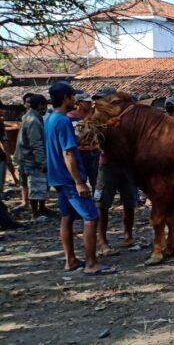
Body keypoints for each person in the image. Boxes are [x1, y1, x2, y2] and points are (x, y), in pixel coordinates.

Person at [45, 81, 116, 275]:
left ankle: (71, 260)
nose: (75, 100)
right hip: (70, 179)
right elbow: (68, 154)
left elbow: (65, 146)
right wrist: (79, 182)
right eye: (73, 96)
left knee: (67, 217)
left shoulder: (50, 119)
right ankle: (91, 264)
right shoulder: (63, 120)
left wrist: (82, 137)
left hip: (57, 177)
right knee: (91, 217)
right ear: (66, 98)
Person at [15, 94, 52, 222]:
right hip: (31, 158)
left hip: (27, 156)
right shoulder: (33, 120)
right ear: (41, 105)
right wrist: (42, 161)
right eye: (45, 105)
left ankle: (42, 208)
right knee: (36, 184)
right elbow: (36, 143)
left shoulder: (29, 116)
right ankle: (36, 212)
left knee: (40, 184)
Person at [67, 92, 100, 192]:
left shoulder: (94, 115)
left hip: (94, 152)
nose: (90, 104)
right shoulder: (69, 117)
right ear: (79, 103)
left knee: (96, 180)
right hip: (79, 153)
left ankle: (96, 201)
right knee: (80, 178)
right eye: (88, 102)